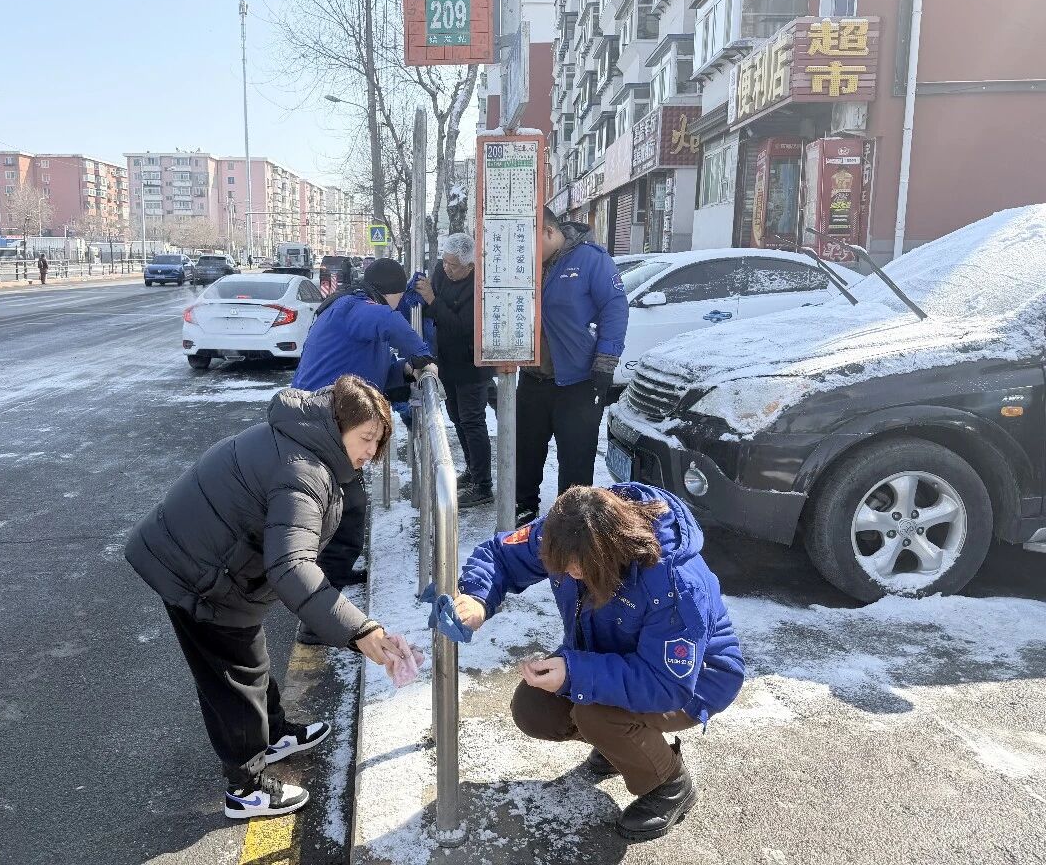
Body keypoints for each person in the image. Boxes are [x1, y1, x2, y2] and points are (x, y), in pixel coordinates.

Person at [125, 376, 397, 820]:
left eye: (378, 442)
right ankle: (245, 788)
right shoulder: (304, 470)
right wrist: (360, 629)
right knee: (232, 681)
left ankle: (273, 733)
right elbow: (292, 566)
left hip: (218, 566)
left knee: (251, 658)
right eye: (366, 438)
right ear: (338, 424)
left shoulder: (304, 441)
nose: (371, 451)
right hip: (196, 576)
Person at [448, 483, 745, 843]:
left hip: (695, 679)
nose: (572, 573)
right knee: (535, 708)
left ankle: (669, 783)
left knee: (596, 714)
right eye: (564, 566)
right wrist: (477, 597)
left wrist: (575, 673)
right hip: (613, 655)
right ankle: (619, 747)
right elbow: (502, 554)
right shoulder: (568, 530)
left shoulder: (674, 583)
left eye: (580, 567)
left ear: (611, 548)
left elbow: (666, 685)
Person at [291, 259, 437, 614]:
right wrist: (422, 357)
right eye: (400, 296)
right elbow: (388, 322)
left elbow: (372, 372)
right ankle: (320, 609)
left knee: (341, 507)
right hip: (320, 421)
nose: (399, 305)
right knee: (347, 507)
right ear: (393, 292)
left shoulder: (352, 310)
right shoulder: (356, 307)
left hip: (329, 418)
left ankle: (332, 577)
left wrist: (405, 370)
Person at [515, 210, 628, 526]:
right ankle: (523, 509)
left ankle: (572, 524)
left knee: (576, 459)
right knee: (525, 453)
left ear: (549, 232)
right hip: (533, 378)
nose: (526, 251)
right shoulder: (527, 263)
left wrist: (606, 361)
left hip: (579, 380)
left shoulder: (591, 259)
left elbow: (615, 308)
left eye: (531, 242)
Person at [415, 233, 494, 509]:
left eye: (453, 265)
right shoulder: (441, 271)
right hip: (447, 360)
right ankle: (472, 470)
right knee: (457, 418)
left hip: (472, 364)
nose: (447, 269)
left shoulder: (480, 285)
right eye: (444, 262)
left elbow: (462, 326)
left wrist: (432, 300)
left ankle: (483, 485)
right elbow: (433, 312)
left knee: (473, 421)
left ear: (470, 266)